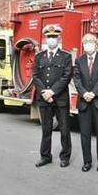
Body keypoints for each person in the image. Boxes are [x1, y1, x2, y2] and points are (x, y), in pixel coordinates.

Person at [33, 25, 73, 168]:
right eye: (49, 37)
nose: (51, 40)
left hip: (60, 98)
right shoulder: (39, 57)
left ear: (59, 38)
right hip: (44, 99)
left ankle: (65, 156)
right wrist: (45, 92)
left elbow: (66, 76)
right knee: (46, 129)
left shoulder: (66, 56)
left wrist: (52, 92)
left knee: (64, 129)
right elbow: (35, 76)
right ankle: (45, 156)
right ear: (45, 38)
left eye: (54, 37)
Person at [73, 33, 98, 172]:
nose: (88, 44)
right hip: (84, 102)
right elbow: (76, 79)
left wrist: (94, 93)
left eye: (90, 42)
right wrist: (84, 93)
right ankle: (87, 162)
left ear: (96, 44)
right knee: (85, 134)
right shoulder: (79, 60)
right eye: (85, 42)